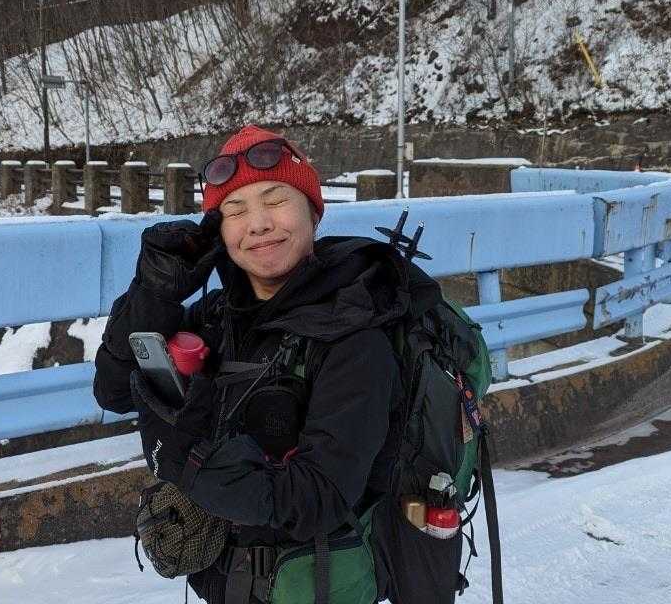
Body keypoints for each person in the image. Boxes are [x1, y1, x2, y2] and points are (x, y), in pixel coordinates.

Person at [94, 125, 425, 603]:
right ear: (218, 231)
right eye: (235, 210)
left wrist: (190, 462)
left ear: (313, 212)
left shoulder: (354, 336)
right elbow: (112, 391)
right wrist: (154, 293)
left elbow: (318, 499)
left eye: (276, 200)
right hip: (231, 585)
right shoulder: (220, 317)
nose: (259, 224)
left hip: (312, 588)